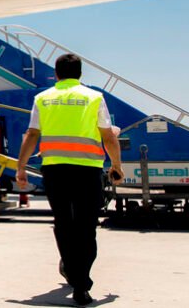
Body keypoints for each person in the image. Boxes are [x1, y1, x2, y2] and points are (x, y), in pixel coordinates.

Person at [16, 53, 124, 306]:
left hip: (55, 170)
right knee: (86, 227)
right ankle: (81, 284)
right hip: (87, 170)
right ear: (80, 73)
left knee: (64, 224)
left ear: (56, 74)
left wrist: (20, 167)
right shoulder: (94, 97)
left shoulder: (43, 98)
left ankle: (71, 269)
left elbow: (32, 134)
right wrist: (116, 166)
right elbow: (108, 136)